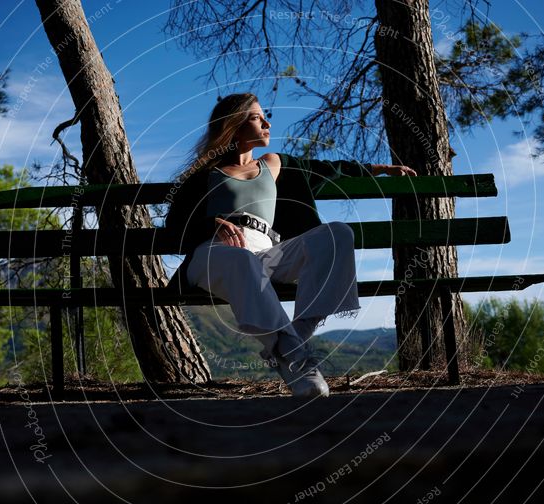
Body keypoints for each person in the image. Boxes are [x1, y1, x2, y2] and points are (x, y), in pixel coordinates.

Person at [165, 93, 416, 397]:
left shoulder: (273, 164)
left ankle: (293, 340)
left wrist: (381, 169)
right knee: (240, 261)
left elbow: (329, 169)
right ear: (234, 124)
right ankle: (298, 362)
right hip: (213, 256)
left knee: (337, 234)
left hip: (265, 249)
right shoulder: (204, 175)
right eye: (258, 117)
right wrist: (212, 224)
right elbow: (175, 226)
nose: (268, 123)